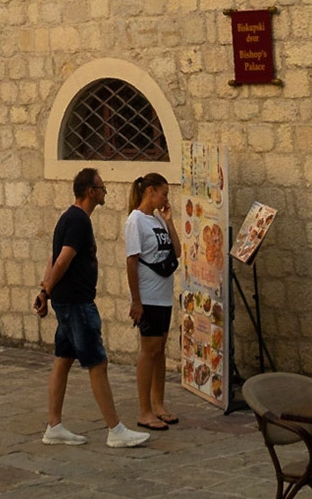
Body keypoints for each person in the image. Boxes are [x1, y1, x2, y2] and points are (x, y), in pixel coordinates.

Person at [34, 166, 149, 448]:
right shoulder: (78, 220)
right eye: (101, 188)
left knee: (63, 359)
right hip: (76, 303)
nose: (104, 192)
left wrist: (45, 291)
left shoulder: (68, 217)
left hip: (66, 300)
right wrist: (47, 290)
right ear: (90, 191)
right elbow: (62, 259)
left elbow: (53, 258)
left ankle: (54, 426)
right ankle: (115, 430)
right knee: (98, 362)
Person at [124, 172, 181, 430]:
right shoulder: (135, 221)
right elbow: (131, 261)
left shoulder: (157, 219)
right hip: (148, 295)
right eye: (164, 193)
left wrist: (169, 222)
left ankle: (159, 405)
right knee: (149, 350)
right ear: (150, 191)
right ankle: (144, 410)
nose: (166, 198)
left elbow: (176, 251)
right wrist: (136, 300)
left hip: (163, 295)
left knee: (160, 350)